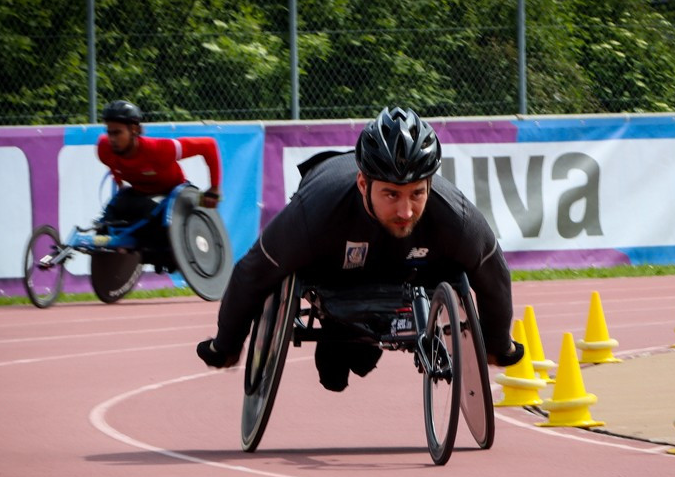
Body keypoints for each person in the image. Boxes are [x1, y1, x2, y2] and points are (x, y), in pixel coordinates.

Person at [196, 106, 523, 391]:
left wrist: (496, 344)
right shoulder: (315, 212)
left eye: (417, 194)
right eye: (391, 195)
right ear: (364, 184)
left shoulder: (456, 217)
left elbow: (493, 273)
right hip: (332, 271)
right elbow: (253, 271)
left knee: (361, 359)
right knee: (335, 373)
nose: (406, 211)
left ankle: (358, 339)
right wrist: (226, 344)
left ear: (430, 185)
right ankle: (341, 337)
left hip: (406, 272)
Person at [97, 100, 222, 269]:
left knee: (150, 219)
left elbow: (208, 145)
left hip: (171, 193)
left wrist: (214, 188)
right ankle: (113, 246)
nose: (112, 139)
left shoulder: (160, 149)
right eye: (109, 133)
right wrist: (119, 184)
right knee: (113, 212)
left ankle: (158, 253)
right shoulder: (104, 148)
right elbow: (114, 165)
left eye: (117, 133)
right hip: (140, 191)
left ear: (134, 130)